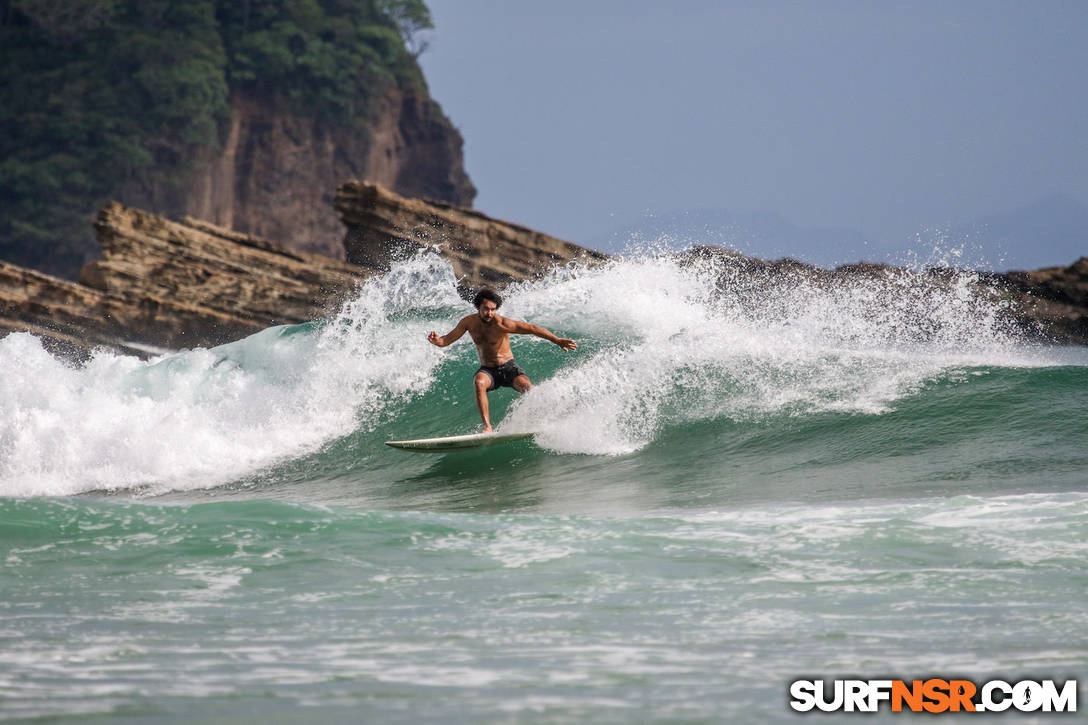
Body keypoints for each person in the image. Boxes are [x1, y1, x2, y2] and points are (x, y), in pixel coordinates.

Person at [428, 288, 577, 432]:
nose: (490, 313)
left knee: (527, 388)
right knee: (479, 382)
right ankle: (487, 427)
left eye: (493, 309)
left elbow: (532, 328)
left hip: (508, 368)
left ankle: (546, 419)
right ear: (478, 306)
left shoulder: (501, 324)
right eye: (486, 309)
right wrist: (436, 341)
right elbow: (446, 340)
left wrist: (557, 340)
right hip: (488, 371)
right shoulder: (468, 323)